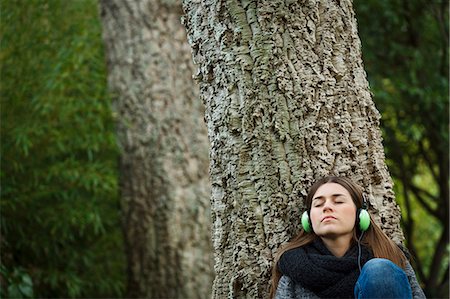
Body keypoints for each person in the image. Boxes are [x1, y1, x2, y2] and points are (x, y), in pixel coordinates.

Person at [270, 176, 426, 299]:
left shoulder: (387, 254)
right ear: (308, 220)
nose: (327, 207)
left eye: (338, 201)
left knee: (379, 270)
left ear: (360, 215)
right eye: (318, 205)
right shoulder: (296, 266)